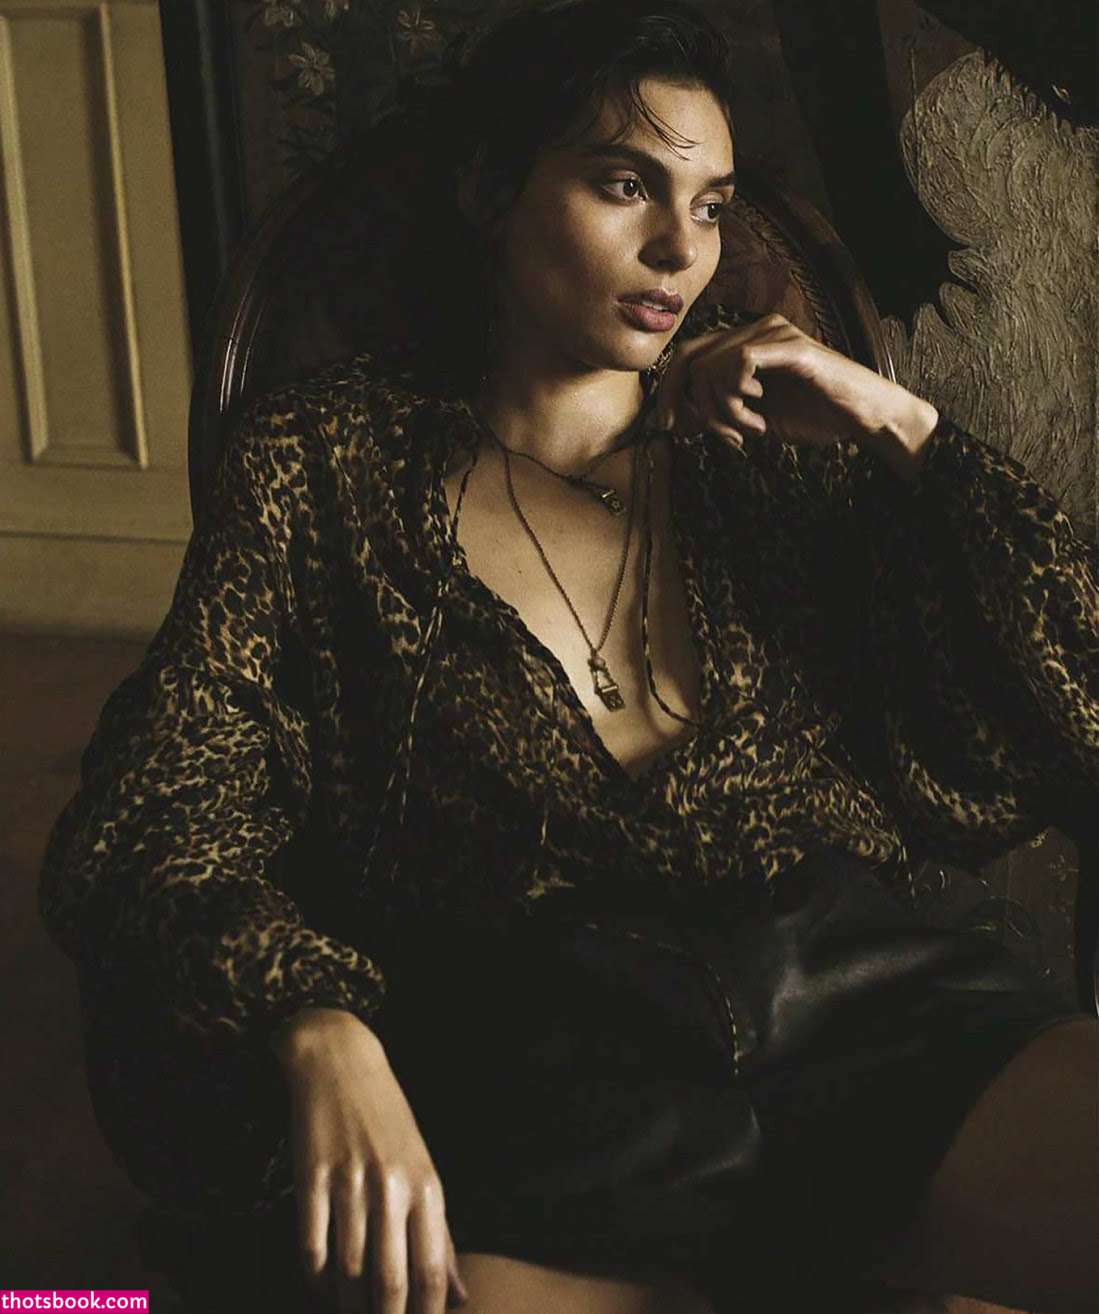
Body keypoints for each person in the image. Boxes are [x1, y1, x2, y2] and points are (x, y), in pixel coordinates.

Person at [39, 2, 1097, 1312]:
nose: (680, 251)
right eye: (623, 185)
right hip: (549, 1069)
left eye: (712, 206)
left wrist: (898, 425)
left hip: (868, 1005)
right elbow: (158, 806)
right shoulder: (323, 464)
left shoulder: (776, 456)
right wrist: (314, 1020)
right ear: (495, 189)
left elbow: (1074, 703)